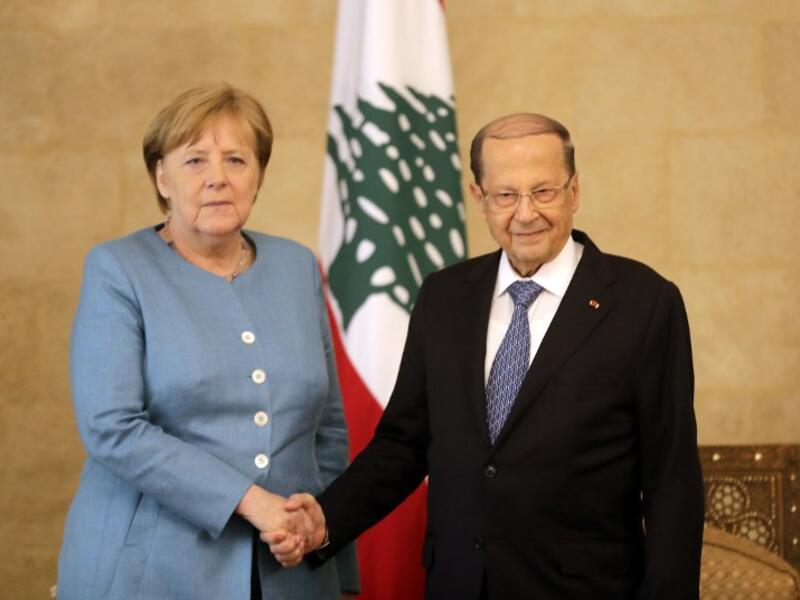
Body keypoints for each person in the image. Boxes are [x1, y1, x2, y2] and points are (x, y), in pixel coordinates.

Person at [269, 113, 705, 599]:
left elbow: (672, 481)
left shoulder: (643, 303)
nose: (525, 213)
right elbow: (403, 445)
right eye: (505, 195)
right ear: (479, 198)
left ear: (574, 192)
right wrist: (325, 519)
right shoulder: (444, 297)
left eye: (544, 192)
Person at [56, 83, 358, 600]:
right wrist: (250, 500)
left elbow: (326, 427)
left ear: (258, 175)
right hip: (150, 568)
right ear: (162, 177)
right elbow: (111, 427)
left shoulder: (296, 266)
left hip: (291, 572)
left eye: (236, 160)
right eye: (195, 160)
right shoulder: (117, 269)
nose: (218, 178)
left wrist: (325, 539)